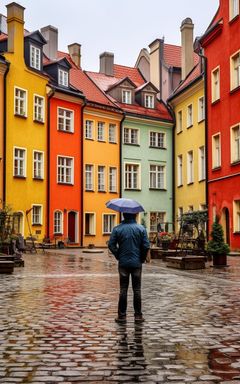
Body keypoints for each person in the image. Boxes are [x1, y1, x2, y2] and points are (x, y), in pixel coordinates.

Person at [108, 212, 150, 323]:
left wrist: (118, 255)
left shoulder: (117, 229)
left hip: (123, 263)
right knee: (137, 290)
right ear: (135, 215)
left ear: (124, 215)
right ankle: (138, 316)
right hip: (136, 263)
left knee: (123, 289)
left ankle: (122, 316)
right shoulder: (141, 229)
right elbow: (146, 245)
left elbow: (111, 245)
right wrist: (141, 258)